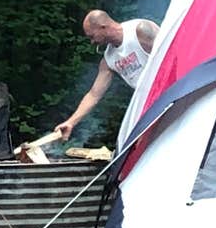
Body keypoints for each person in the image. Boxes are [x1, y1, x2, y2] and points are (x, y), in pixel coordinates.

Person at [55, 8, 159, 140]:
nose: (92, 42)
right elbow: (94, 94)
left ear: (103, 27)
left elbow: (173, 54)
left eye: (92, 36)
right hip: (147, 102)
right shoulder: (109, 59)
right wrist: (71, 122)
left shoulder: (139, 31)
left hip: (169, 92)